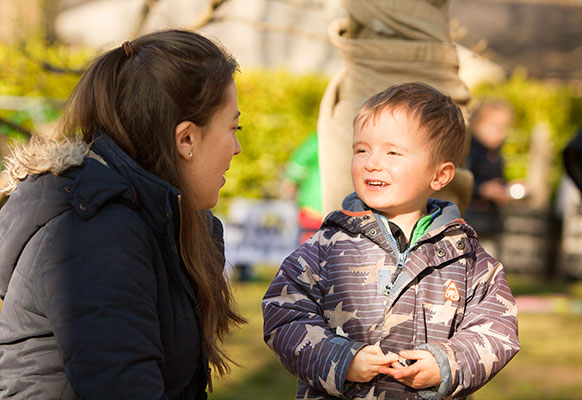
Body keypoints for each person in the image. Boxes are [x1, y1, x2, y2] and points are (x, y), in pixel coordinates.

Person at [0, 30, 245, 398]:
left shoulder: (159, 222)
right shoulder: (98, 236)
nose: (238, 148)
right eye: (233, 128)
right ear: (186, 140)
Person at [262, 82, 519, 399]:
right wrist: (341, 360)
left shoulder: (465, 257)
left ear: (439, 176)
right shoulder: (327, 246)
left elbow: (498, 328)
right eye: (362, 149)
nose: (372, 162)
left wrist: (447, 364)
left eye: (392, 152)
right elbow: (284, 314)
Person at [464, 100, 513, 256]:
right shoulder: (470, 152)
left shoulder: (496, 154)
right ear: (477, 125)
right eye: (495, 127)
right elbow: (462, 180)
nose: (501, 133)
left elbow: (497, 179)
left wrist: (505, 188)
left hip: (490, 220)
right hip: (470, 218)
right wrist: (482, 189)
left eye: (504, 128)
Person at [280, 131, 323, 244]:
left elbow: (297, 164)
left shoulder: (317, 140)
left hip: (313, 208)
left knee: (309, 254)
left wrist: (290, 182)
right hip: (323, 210)